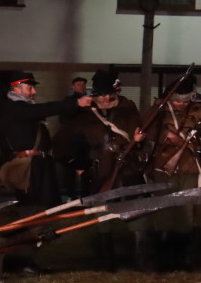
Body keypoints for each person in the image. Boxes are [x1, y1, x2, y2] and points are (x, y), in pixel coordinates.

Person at [52, 70, 145, 271]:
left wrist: (138, 140)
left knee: (136, 211)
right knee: (102, 214)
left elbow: (137, 132)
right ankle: (107, 262)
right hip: (99, 169)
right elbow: (62, 140)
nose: (103, 98)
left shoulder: (128, 107)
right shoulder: (85, 114)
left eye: (107, 93)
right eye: (100, 94)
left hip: (126, 165)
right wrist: (76, 163)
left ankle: (141, 259)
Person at [146, 74, 201, 271]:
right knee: (164, 213)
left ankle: (183, 260)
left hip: (189, 167)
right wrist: (167, 134)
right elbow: (146, 129)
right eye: (176, 100)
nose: (180, 104)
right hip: (163, 166)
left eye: (184, 100)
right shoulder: (158, 110)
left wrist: (189, 141)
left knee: (185, 214)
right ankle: (162, 261)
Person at [0, 71, 92, 207]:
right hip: (32, 166)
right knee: (37, 205)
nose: (34, 91)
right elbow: (45, 109)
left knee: (48, 205)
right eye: (29, 87)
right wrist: (76, 103)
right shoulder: (14, 108)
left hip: (39, 163)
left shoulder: (21, 108)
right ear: (17, 89)